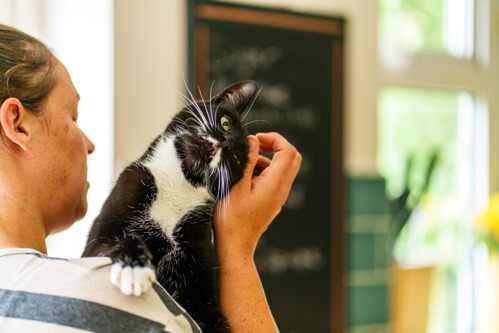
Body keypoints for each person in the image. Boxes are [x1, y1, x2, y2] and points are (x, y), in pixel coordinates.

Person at [0, 24, 302, 332]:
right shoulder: (116, 303)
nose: (89, 144)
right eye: (73, 117)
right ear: (18, 125)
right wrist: (237, 251)